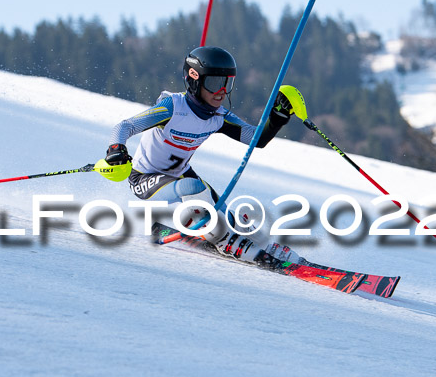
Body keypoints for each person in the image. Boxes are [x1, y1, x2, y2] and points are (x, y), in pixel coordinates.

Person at [103, 46, 300, 261]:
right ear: (195, 80)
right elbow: (124, 127)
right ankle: (225, 241)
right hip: (144, 178)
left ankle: (265, 245)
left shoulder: (219, 116)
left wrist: (278, 117)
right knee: (196, 188)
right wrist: (116, 150)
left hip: (180, 174)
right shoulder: (173, 106)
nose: (222, 92)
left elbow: (257, 140)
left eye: (228, 84)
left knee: (226, 214)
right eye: (216, 83)